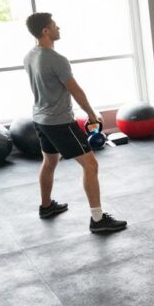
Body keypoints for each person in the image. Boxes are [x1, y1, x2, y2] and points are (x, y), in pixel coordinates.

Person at [22, 12, 127, 234]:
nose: (58, 28)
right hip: (59, 122)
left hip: (40, 119)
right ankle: (98, 220)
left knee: (49, 162)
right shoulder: (56, 59)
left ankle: (46, 206)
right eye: (55, 25)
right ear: (45, 31)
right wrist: (91, 114)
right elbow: (76, 90)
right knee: (91, 165)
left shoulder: (30, 56)